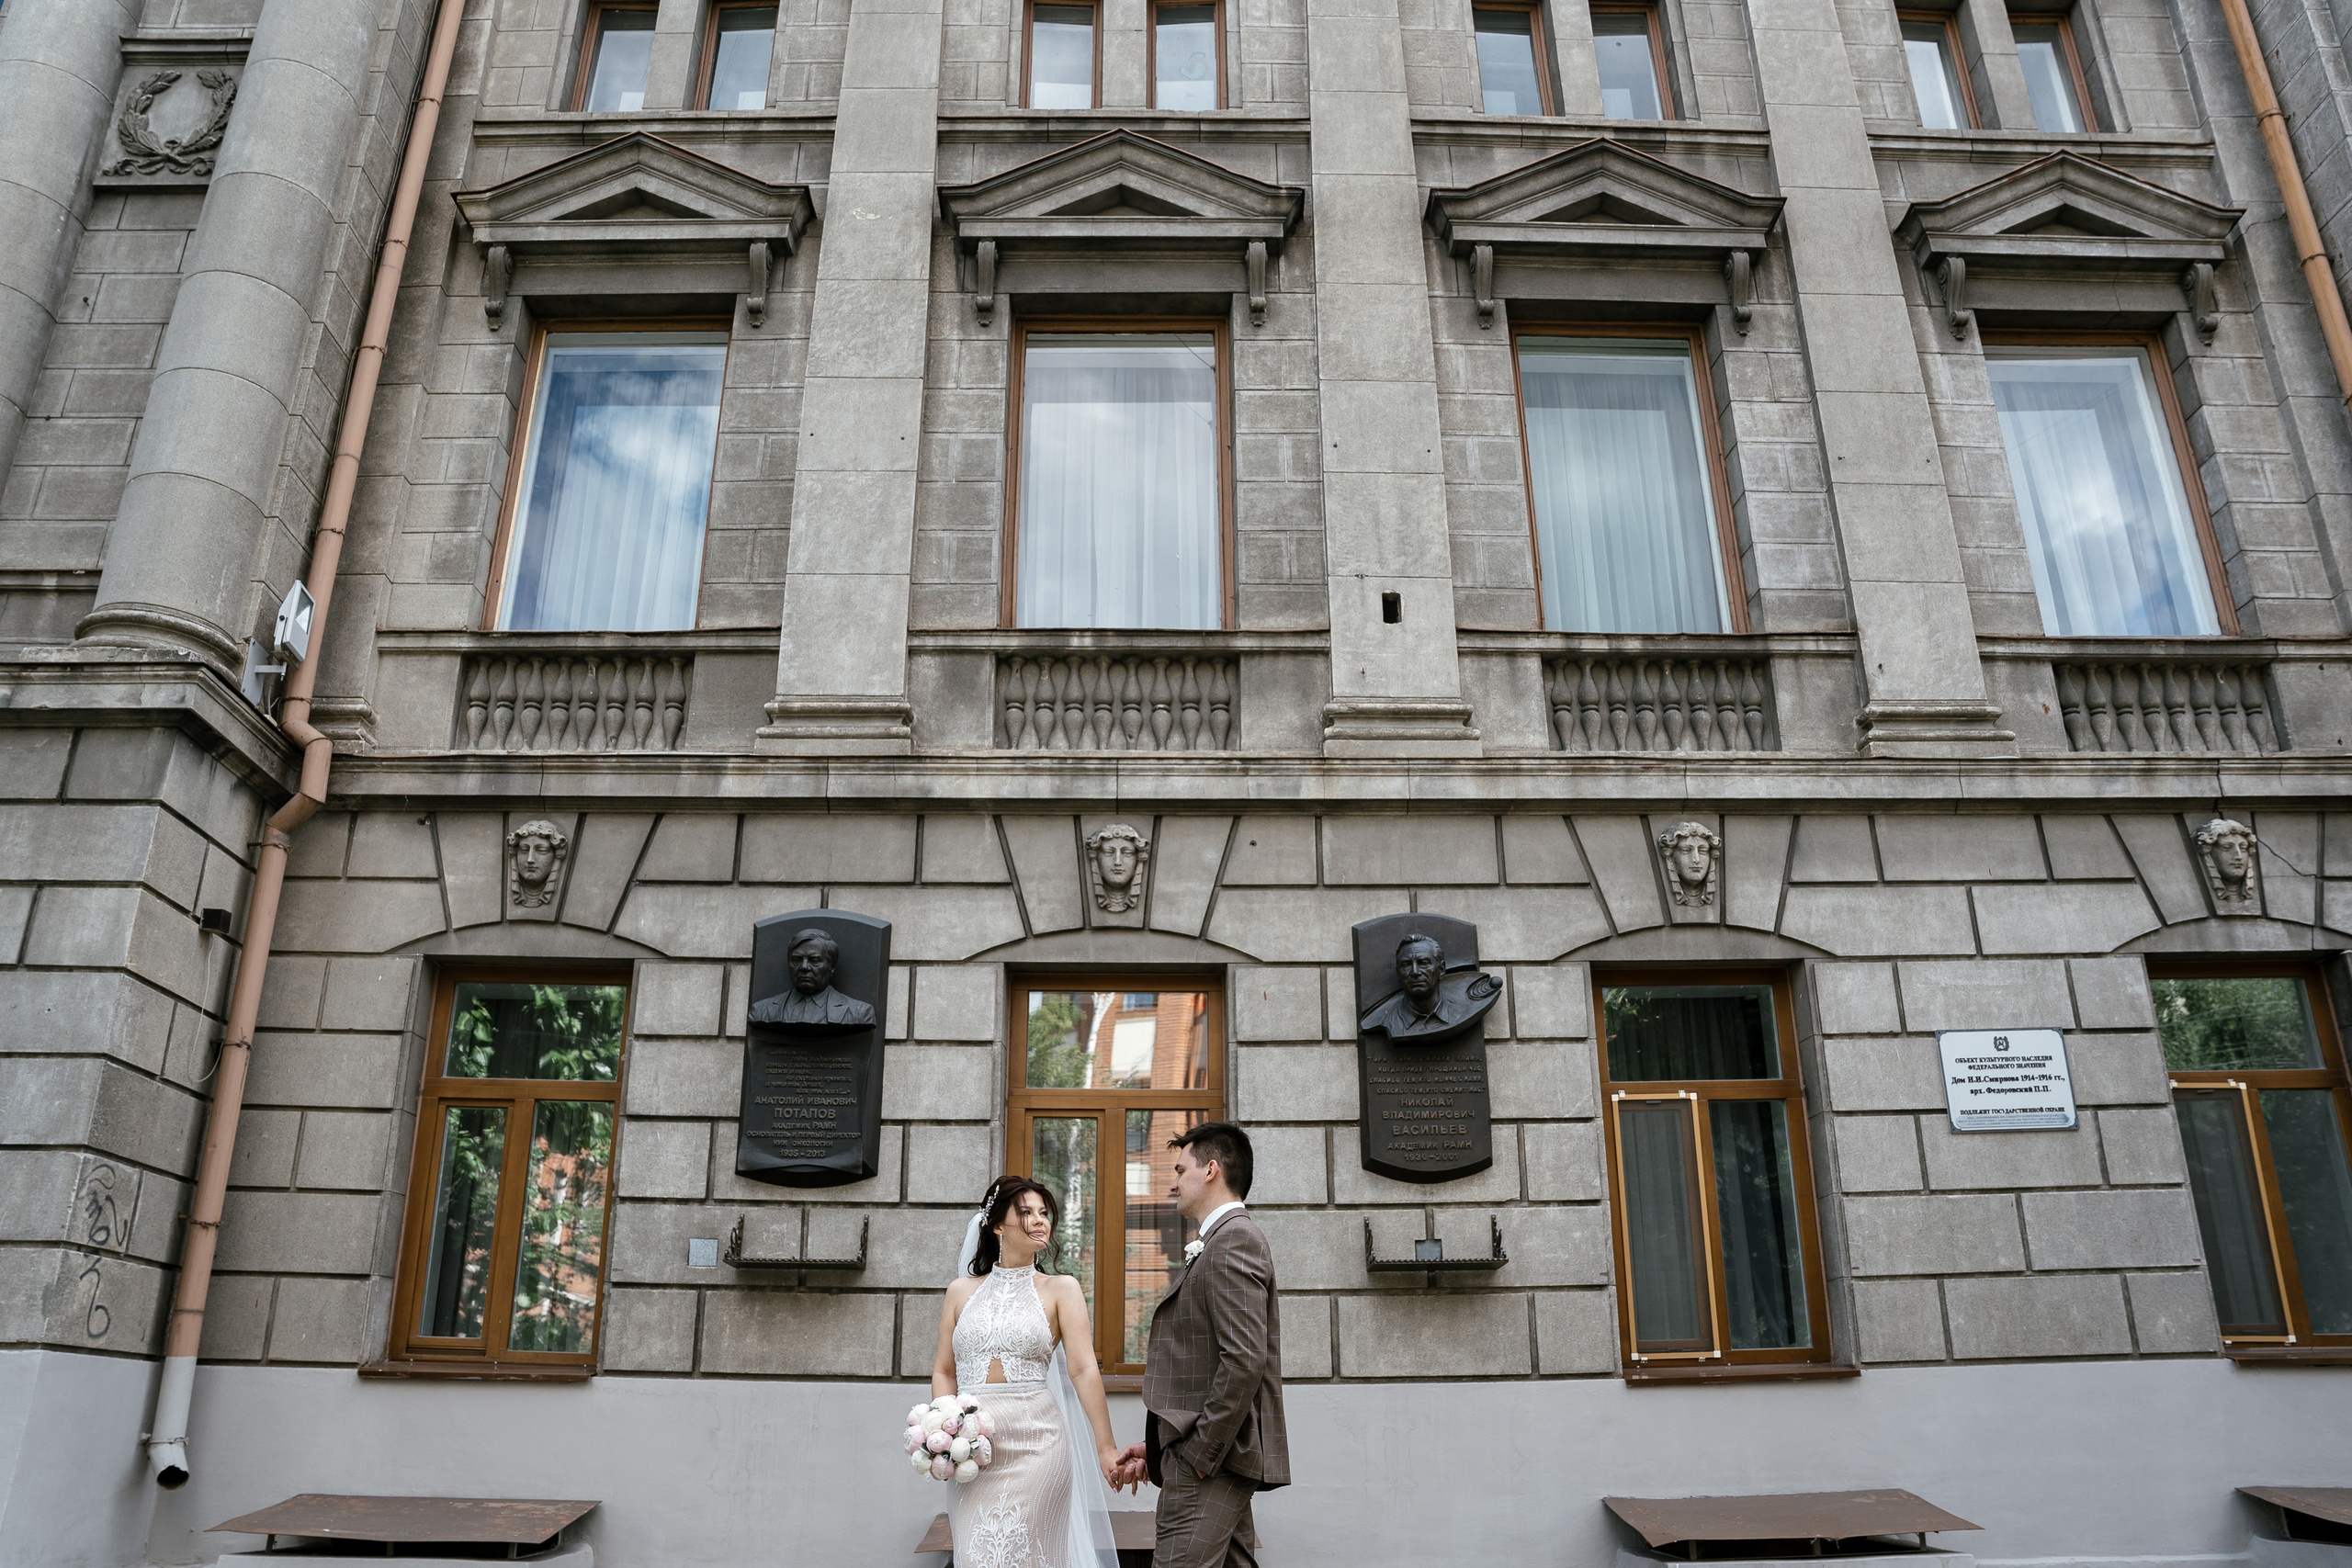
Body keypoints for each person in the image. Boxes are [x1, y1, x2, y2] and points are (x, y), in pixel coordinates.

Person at [1114, 1122, 1290, 1567]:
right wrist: (1159, 1447)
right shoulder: (1221, 1242)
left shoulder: (1234, 1241)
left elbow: (1244, 1361)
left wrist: (1198, 1455)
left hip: (1211, 1463)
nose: (1172, 1183)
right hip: (1210, 1460)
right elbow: (1205, 1365)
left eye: (1179, 1170)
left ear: (1211, 1170)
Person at [933, 1177, 1125, 1568]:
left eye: (1043, 1213)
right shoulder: (960, 1292)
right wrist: (944, 1427)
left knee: (1026, 1555)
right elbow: (943, 1370)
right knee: (975, 1558)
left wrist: (1106, 1448)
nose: (1039, 1221)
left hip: (1038, 1446)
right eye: (1026, 1213)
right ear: (996, 1225)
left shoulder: (1062, 1289)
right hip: (975, 1450)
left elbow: (1084, 1368)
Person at [746, 929, 876, 1028]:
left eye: (814, 960)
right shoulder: (761, 1012)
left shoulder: (859, 1014)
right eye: (796, 960)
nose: (804, 967)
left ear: (832, 966)